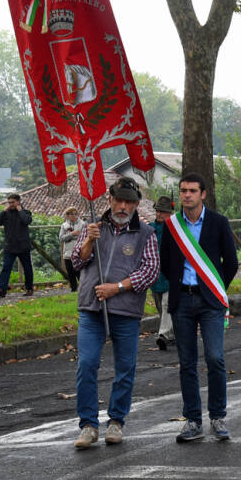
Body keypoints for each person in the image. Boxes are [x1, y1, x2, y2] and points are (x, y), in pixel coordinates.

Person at [70, 177, 159, 449]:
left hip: (126, 310)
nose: (122, 206)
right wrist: (87, 242)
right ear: (108, 199)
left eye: (128, 202)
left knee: (125, 367)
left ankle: (116, 421)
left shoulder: (146, 233)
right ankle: (87, 425)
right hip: (91, 307)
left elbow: (150, 271)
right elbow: (76, 261)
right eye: (118, 200)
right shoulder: (92, 227)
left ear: (136, 204)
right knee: (86, 364)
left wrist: (117, 288)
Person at [161, 173, 239, 443]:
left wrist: (215, 288)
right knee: (187, 363)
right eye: (183, 190)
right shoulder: (172, 226)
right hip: (181, 300)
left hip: (210, 302)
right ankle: (193, 420)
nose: (187, 195)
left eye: (193, 190)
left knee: (215, 358)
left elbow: (231, 262)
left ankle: (217, 416)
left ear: (203, 194)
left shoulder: (218, 223)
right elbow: (165, 263)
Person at [0, 193, 34, 298]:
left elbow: (27, 221)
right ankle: (1, 289)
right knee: (6, 267)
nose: (10, 204)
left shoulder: (26, 212)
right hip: (10, 246)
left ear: (18, 201)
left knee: (27, 268)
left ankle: (29, 288)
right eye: (9, 202)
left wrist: (20, 210)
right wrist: (4, 210)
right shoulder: (6, 214)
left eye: (12, 202)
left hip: (23, 246)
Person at [150, 196, 175, 351]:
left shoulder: (176, 228)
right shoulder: (149, 228)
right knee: (162, 307)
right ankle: (173, 334)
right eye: (158, 211)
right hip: (154, 275)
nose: (159, 214)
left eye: (163, 212)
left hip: (171, 274)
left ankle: (163, 335)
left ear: (169, 213)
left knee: (167, 305)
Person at [58, 207, 84, 292]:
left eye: (76, 214)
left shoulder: (83, 224)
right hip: (68, 253)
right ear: (67, 215)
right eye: (72, 214)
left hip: (80, 252)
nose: (74, 216)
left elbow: (84, 236)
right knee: (70, 273)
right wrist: (72, 234)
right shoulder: (64, 226)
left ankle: (83, 289)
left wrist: (72, 236)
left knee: (80, 273)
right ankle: (73, 289)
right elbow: (61, 238)